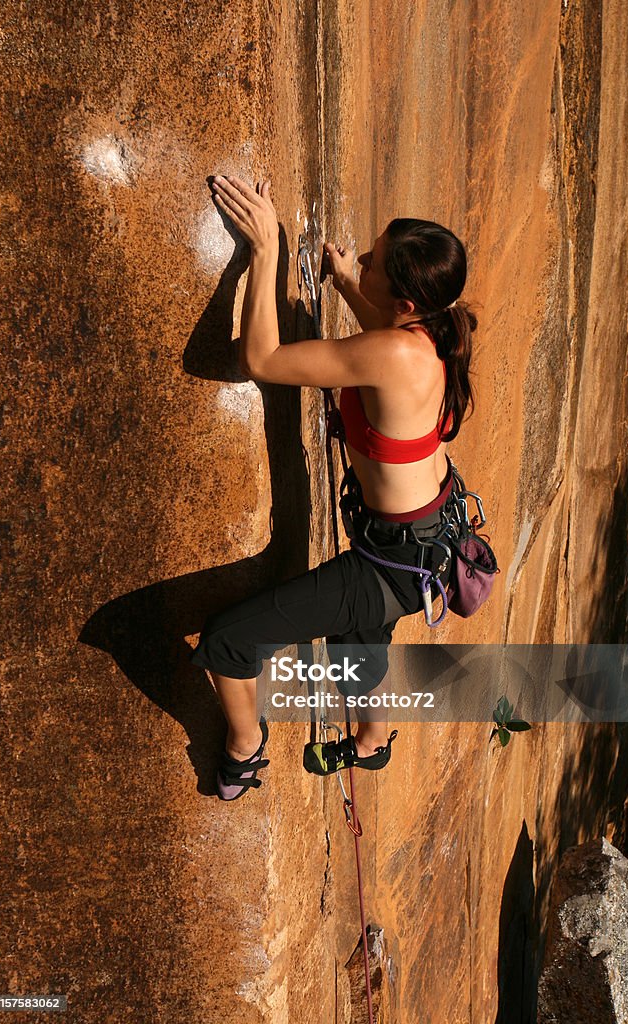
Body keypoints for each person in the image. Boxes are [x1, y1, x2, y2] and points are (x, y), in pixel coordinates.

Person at [190, 175, 477, 799]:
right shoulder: (436, 334)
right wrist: (349, 280)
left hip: (389, 566)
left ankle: (245, 749)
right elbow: (383, 333)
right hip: (425, 543)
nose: (364, 259)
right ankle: (372, 742)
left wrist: (265, 250)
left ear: (406, 305)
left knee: (226, 642)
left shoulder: (394, 353)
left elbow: (262, 360)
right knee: (359, 638)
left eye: (373, 262)